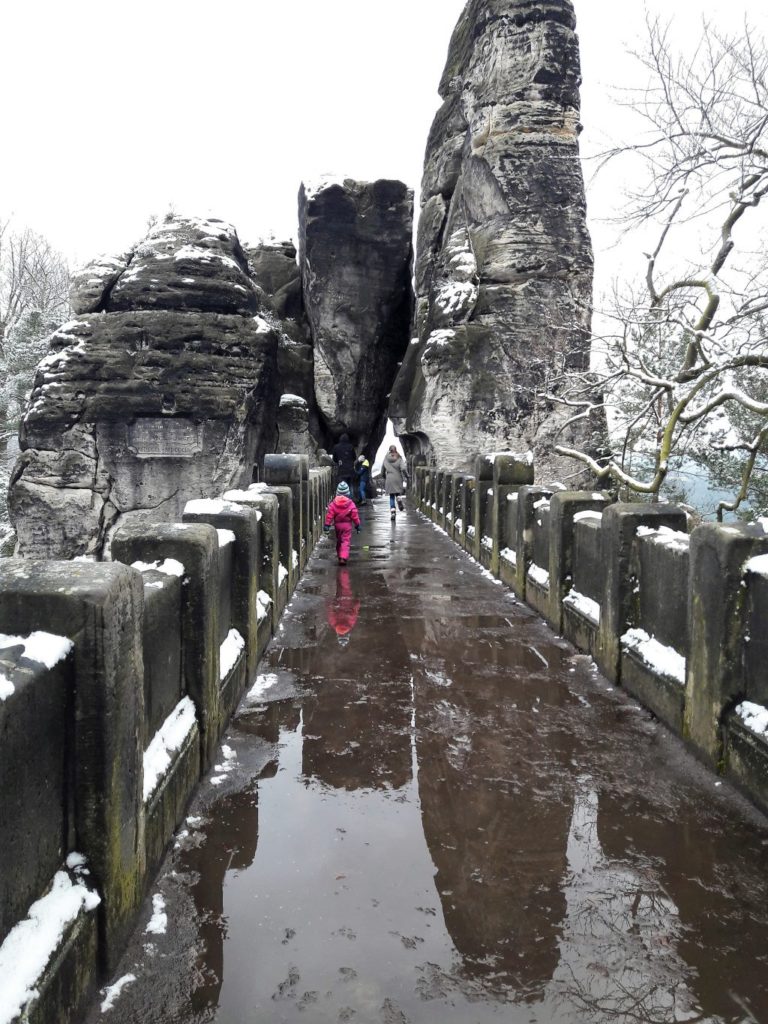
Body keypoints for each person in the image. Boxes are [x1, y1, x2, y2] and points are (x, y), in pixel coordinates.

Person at [324, 481, 361, 565]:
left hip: (337, 525)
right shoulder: (350, 504)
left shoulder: (333, 504)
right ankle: (343, 557)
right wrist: (358, 525)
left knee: (339, 541)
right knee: (345, 541)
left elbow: (329, 515)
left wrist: (327, 525)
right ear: (348, 493)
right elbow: (355, 516)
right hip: (347, 526)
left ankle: (339, 555)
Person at [380, 445, 408, 520]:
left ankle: (393, 512)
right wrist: (407, 476)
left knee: (391, 496)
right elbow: (403, 468)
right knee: (397, 493)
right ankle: (399, 499)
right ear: (396, 450)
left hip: (389, 478)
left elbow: (382, 470)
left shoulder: (386, 458)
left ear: (389, 450)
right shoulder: (399, 457)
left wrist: (384, 477)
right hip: (398, 478)